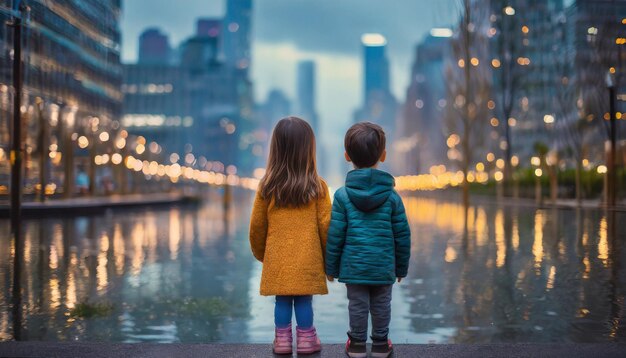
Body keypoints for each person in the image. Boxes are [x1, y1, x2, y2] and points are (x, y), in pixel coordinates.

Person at [326, 122, 411, 358]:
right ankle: (381, 345)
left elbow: (335, 235)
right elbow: (402, 235)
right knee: (382, 305)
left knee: (357, 305)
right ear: (383, 156)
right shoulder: (393, 197)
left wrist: (331, 267)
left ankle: (356, 345)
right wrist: (401, 267)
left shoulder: (342, 196)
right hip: (383, 266)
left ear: (346, 156)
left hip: (354, 266)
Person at [249, 116, 331, 355]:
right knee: (304, 300)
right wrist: (329, 261)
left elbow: (257, 227)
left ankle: (282, 340)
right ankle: (306, 340)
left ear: (275, 149)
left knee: (282, 300)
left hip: (278, 258)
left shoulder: (267, 187)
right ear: (309, 150)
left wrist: (263, 254)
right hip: (308, 259)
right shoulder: (318, 187)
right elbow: (326, 227)